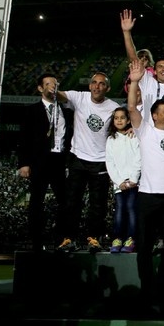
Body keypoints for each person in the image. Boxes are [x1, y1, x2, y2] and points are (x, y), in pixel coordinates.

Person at [125, 59, 164, 309]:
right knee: (145, 246)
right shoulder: (145, 131)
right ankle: (147, 290)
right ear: (154, 115)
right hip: (148, 196)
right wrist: (135, 82)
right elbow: (131, 107)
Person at [55, 71, 121, 253]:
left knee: (98, 204)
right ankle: (69, 238)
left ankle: (94, 238)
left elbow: (122, 123)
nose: (97, 86)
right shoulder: (80, 98)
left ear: (107, 88)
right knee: (72, 202)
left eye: (102, 84)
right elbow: (60, 96)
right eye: (94, 83)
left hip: (100, 160)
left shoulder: (113, 107)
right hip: (78, 157)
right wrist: (53, 88)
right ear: (90, 85)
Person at [17, 72, 74, 252]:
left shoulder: (67, 111)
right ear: (40, 88)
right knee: (36, 202)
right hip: (39, 161)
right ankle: (36, 242)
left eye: (55, 84)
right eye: (48, 84)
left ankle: (60, 239)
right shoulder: (31, 110)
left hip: (60, 160)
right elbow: (24, 138)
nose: (52, 86)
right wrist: (24, 163)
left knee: (65, 202)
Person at [104, 106, 140, 254]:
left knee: (131, 209)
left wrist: (133, 179)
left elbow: (139, 158)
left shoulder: (134, 136)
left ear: (128, 120)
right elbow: (110, 162)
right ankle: (117, 238)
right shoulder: (111, 139)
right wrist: (119, 182)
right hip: (119, 184)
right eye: (116, 118)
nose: (119, 121)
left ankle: (131, 239)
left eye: (122, 118)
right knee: (119, 210)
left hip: (133, 183)